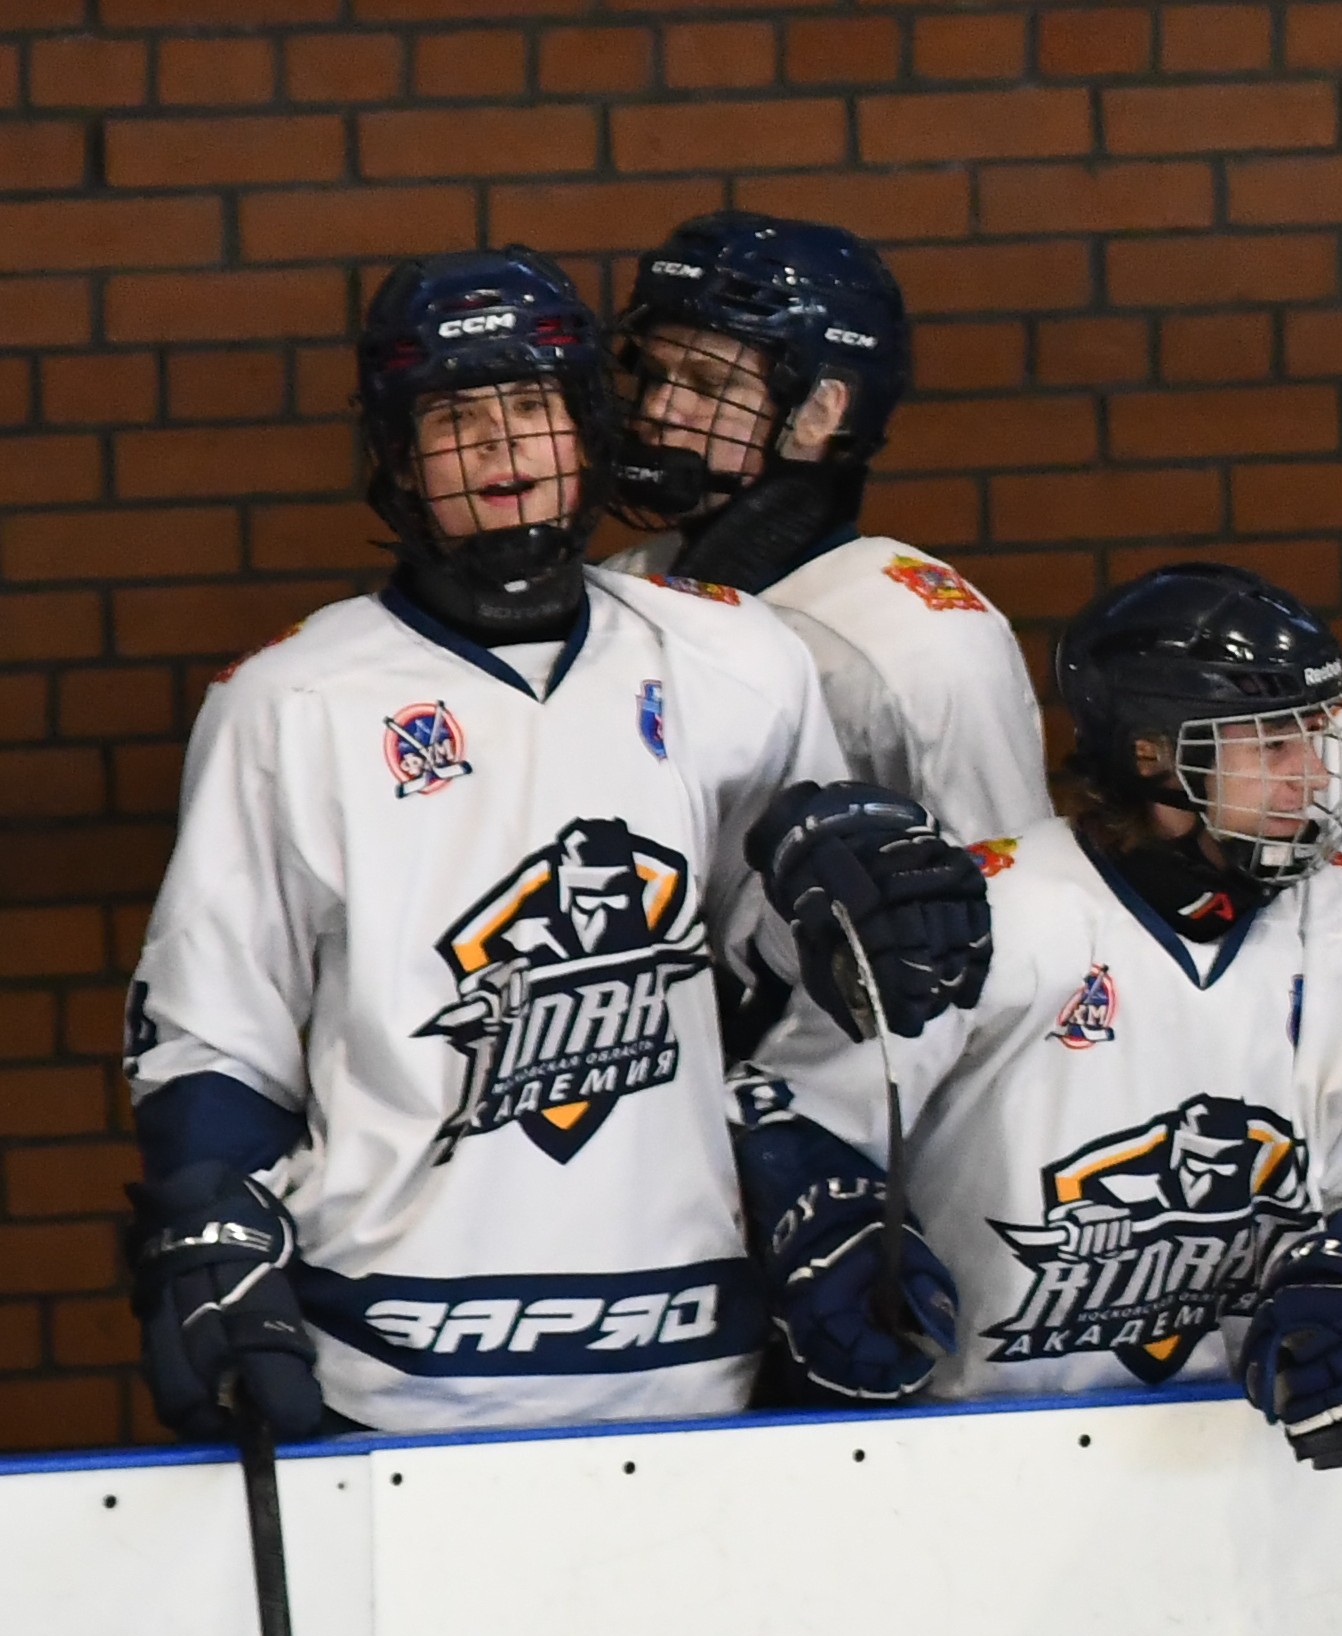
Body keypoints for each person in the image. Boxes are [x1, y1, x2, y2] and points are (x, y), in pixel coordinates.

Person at [124, 246, 976, 1440]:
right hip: (394, 1358)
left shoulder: (740, 663)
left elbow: (789, 982)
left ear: (586, 432)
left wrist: (818, 1130)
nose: (502, 451)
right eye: (456, 418)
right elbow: (213, 1037)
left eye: (532, 409)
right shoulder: (290, 701)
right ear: (394, 457)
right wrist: (212, 1225)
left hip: (694, 1351)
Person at [728, 566, 1342, 1466]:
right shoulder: (1001, 909)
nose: (1309, 777)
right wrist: (835, 1230)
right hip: (977, 1449)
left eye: (1314, 734)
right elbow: (791, 1111)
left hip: (1230, 1452)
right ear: (1151, 755)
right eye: (1270, 746)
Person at [598, 215, 1054, 869]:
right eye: (655, 374)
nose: (660, 411)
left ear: (820, 412)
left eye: (708, 383)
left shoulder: (924, 641)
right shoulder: (626, 585)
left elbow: (1006, 893)